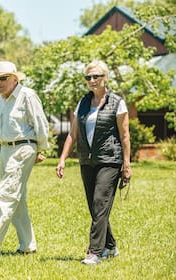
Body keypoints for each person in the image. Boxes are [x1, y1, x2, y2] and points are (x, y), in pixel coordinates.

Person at [56, 60, 132, 265]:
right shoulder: (83, 102)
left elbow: (125, 136)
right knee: (95, 206)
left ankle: (95, 252)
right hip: (86, 160)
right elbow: (73, 134)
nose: (92, 80)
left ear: (105, 77)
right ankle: (110, 246)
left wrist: (126, 164)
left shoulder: (117, 102)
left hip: (110, 160)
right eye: (88, 77)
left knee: (100, 202)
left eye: (96, 76)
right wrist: (62, 158)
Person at [0, 61, 49, 258]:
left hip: (23, 148)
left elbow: (40, 122)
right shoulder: (2, 98)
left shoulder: (27, 95)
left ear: (15, 79)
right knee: (18, 198)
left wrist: (42, 148)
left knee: (7, 195)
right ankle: (28, 245)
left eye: (3, 78)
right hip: (6, 150)